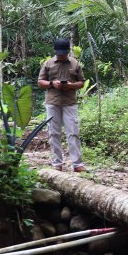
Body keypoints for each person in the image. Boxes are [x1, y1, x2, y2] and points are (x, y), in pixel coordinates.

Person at [37, 38, 86, 172]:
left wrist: (71, 86)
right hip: (53, 102)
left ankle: (77, 164)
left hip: (70, 102)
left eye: (64, 53)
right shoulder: (48, 64)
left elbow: (81, 82)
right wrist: (52, 84)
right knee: (54, 133)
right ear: (56, 52)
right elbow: (40, 82)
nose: (62, 55)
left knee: (73, 132)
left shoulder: (75, 64)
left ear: (68, 51)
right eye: (60, 53)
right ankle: (57, 163)